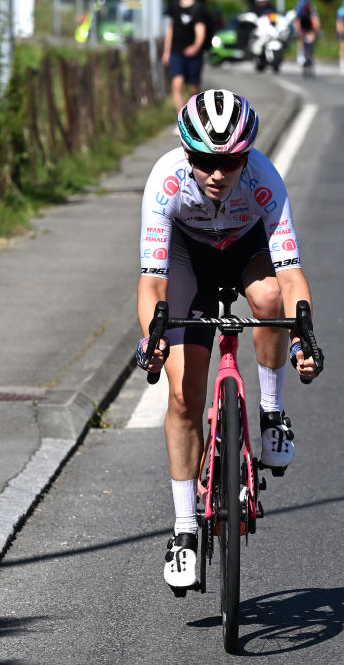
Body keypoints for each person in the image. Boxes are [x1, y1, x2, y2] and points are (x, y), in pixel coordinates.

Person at [136, 90, 323, 589]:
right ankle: (183, 531)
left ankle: (271, 410)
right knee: (182, 396)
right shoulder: (166, 181)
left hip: (246, 249)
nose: (218, 173)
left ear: (247, 156)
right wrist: (151, 338)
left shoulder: (263, 180)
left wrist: (304, 339)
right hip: (187, 259)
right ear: (186, 153)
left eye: (231, 161)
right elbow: (152, 283)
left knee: (266, 302)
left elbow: (291, 278)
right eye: (204, 161)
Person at [162, 0, 208, 113]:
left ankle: (198, 118)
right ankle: (182, 121)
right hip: (176, 52)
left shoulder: (197, 7)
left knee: (193, 89)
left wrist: (195, 47)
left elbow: (200, 31)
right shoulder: (174, 6)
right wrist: (166, 52)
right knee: (177, 84)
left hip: (193, 55)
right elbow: (170, 29)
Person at [293, 0, 320, 66]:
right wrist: (298, 31)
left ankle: (311, 53)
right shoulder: (299, 9)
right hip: (301, 23)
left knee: (313, 37)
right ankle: (300, 54)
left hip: (309, 23)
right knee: (301, 36)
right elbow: (297, 21)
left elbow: (315, 20)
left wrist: (316, 30)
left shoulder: (312, 8)